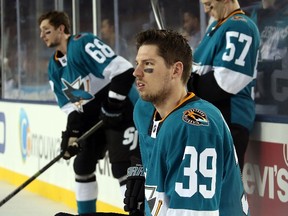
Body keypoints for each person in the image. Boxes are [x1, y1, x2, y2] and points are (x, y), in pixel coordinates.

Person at [129, 29, 250, 216]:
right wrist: (139, 167)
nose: (137, 72)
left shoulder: (195, 126)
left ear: (176, 70)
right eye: (137, 64)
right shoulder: (144, 109)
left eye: (148, 65)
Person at [38, 11, 141, 215]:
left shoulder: (82, 43)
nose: (42, 35)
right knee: (82, 165)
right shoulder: (54, 67)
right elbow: (71, 107)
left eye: (46, 29)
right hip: (95, 117)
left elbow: (124, 71)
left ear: (61, 28)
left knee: (123, 168)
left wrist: (113, 104)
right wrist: (72, 133)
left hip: (123, 110)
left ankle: (137, 212)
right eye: (40, 31)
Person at [188, 0, 260, 172]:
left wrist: (185, 85)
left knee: (225, 192)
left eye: (209, 4)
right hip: (213, 117)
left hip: (228, 118)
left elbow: (226, 82)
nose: (206, 10)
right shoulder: (218, 26)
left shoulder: (240, 26)